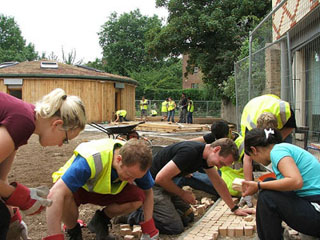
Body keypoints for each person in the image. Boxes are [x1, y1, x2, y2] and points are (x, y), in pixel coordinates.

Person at [0, 88, 86, 240]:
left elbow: (2, 179)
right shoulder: (23, 123)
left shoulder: (23, 118)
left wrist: (14, 218)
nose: (60, 145)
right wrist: (22, 197)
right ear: (57, 124)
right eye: (65, 139)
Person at [128, 139, 254, 235]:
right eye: (221, 163)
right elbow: (160, 178)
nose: (219, 167)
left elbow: (219, 183)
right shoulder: (190, 152)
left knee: (188, 216)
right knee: (175, 227)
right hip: (151, 186)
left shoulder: (206, 158)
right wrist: (182, 194)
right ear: (216, 149)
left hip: (166, 184)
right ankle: (134, 213)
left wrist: (234, 208)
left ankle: (160, 210)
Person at [43, 138, 158, 240]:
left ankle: (100, 221)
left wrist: (149, 227)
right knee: (63, 196)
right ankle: (73, 230)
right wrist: (55, 237)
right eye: (128, 175)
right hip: (78, 189)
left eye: (135, 177)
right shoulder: (91, 160)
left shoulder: (138, 162)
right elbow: (54, 194)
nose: (131, 181)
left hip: (103, 190)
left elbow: (148, 192)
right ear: (119, 160)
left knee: (138, 197)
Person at [242, 128, 320, 240]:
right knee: (269, 184)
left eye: (253, 158)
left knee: (267, 197)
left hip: (316, 212)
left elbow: (295, 181)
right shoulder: (283, 148)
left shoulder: (277, 151)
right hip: (313, 206)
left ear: (254, 150)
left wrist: (258, 186)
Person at [241, 94, 297, 207]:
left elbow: (290, 127)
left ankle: (286, 183)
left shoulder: (285, 112)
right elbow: (247, 158)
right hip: (252, 107)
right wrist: (248, 188)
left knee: (284, 152)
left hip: (276, 113)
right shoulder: (250, 126)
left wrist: (277, 144)